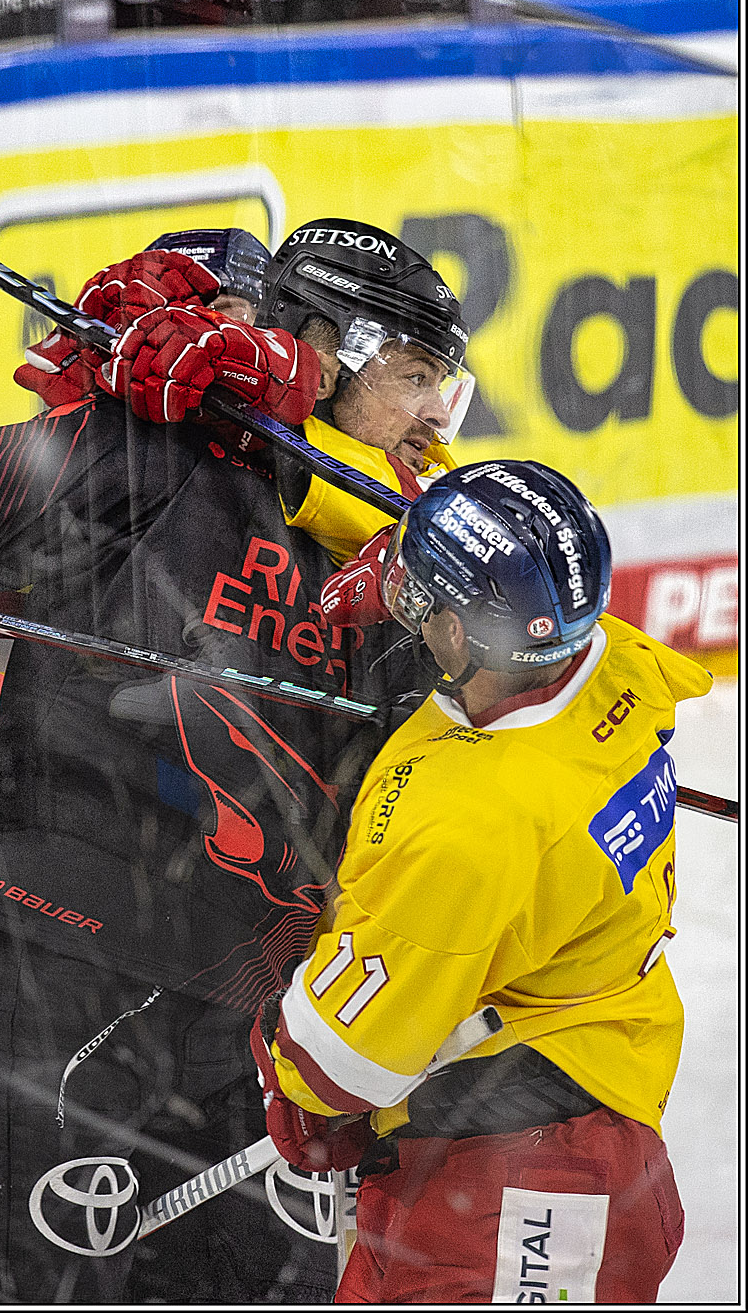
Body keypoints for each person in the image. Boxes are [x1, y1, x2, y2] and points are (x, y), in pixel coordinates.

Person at [0, 218, 472, 1305]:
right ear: (322, 353)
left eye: (445, 388)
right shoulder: (164, 450)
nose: (433, 416)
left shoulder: (418, 551)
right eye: (414, 376)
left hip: (253, 1008)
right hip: (43, 960)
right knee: (4, 1285)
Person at [250, 458, 710, 1304]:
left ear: (463, 637)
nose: (407, 606)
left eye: (424, 602)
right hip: (579, 1104)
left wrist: (297, 1083)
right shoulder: (615, 663)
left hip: (521, 1192)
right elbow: (516, 552)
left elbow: (344, 1065)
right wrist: (400, 574)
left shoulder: (468, 826)